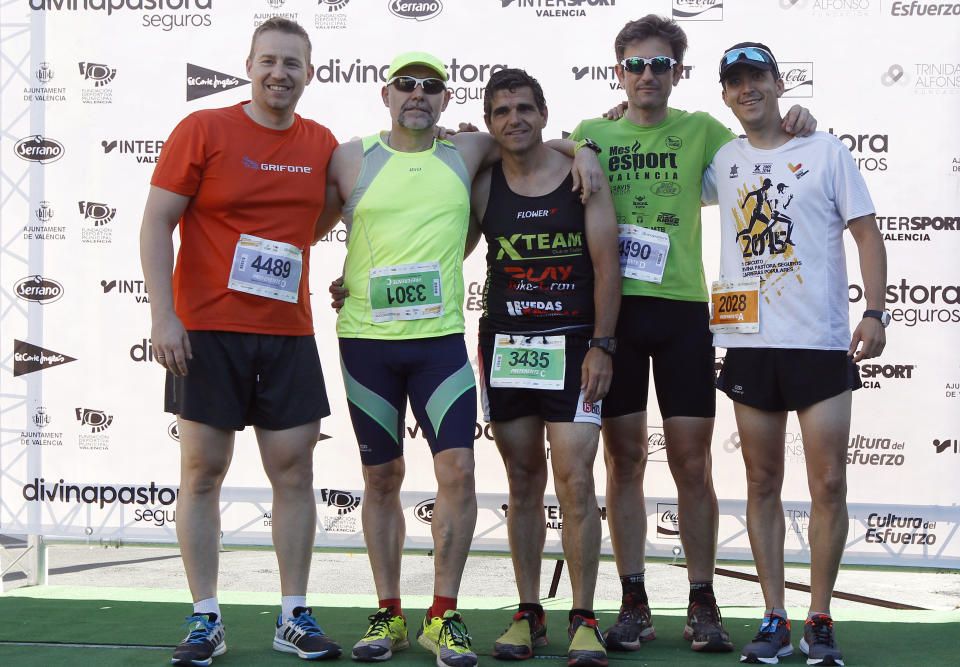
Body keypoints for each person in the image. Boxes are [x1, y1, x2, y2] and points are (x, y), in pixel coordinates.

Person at [317, 53, 603, 667]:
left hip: (439, 344)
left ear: (446, 101)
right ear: (385, 94)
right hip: (366, 342)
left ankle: (443, 615)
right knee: (380, 480)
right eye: (406, 85)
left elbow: (530, 140)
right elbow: (307, 225)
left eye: (431, 86)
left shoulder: (468, 152)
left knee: (461, 475)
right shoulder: (349, 157)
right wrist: (342, 278)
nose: (417, 94)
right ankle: (388, 615)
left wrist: (583, 147)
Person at [569, 14, 816, 654]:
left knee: (691, 462)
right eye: (635, 64)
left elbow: (763, 144)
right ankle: (632, 599)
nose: (647, 75)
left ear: (677, 73)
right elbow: (537, 155)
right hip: (613, 317)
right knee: (623, 461)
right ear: (618, 69)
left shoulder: (704, 129)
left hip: (681, 313)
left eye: (660, 65)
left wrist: (801, 122)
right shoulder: (589, 134)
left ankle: (702, 600)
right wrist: (577, 148)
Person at [139, 18, 341, 666]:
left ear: (310, 73)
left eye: (293, 64)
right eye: (269, 61)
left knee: (295, 471)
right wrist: (163, 317)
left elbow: (323, 217)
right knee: (202, 472)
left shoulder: (323, 143)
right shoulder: (204, 130)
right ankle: (205, 618)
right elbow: (155, 223)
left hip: (287, 333)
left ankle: (293, 613)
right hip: (206, 330)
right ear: (249, 65)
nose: (280, 73)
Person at [702, 42, 887, 666]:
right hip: (750, 343)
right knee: (761, 481)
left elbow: (866, 231)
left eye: (757, 77)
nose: (747, 89)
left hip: (818, 341)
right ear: (724, 95)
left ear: (779, 83)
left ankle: (821, 616)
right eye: (735, 82)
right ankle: (775, 615)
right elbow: (654, 159)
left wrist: (875, 311)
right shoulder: (721, 159)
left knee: (829, 481)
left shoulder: (827, 149)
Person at [467, 69, 620, 667]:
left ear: (544, 113)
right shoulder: (482, 186)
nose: (514, 119)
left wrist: (603, 345)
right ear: (489, 122)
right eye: (502, 111)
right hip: (507, 347)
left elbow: (608, 269)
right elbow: (438, 246)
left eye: (525, 108)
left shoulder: (582, 178)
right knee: (523, 480)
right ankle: (528, 611)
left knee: (576, 477)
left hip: (575, 345)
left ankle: (584, 616)